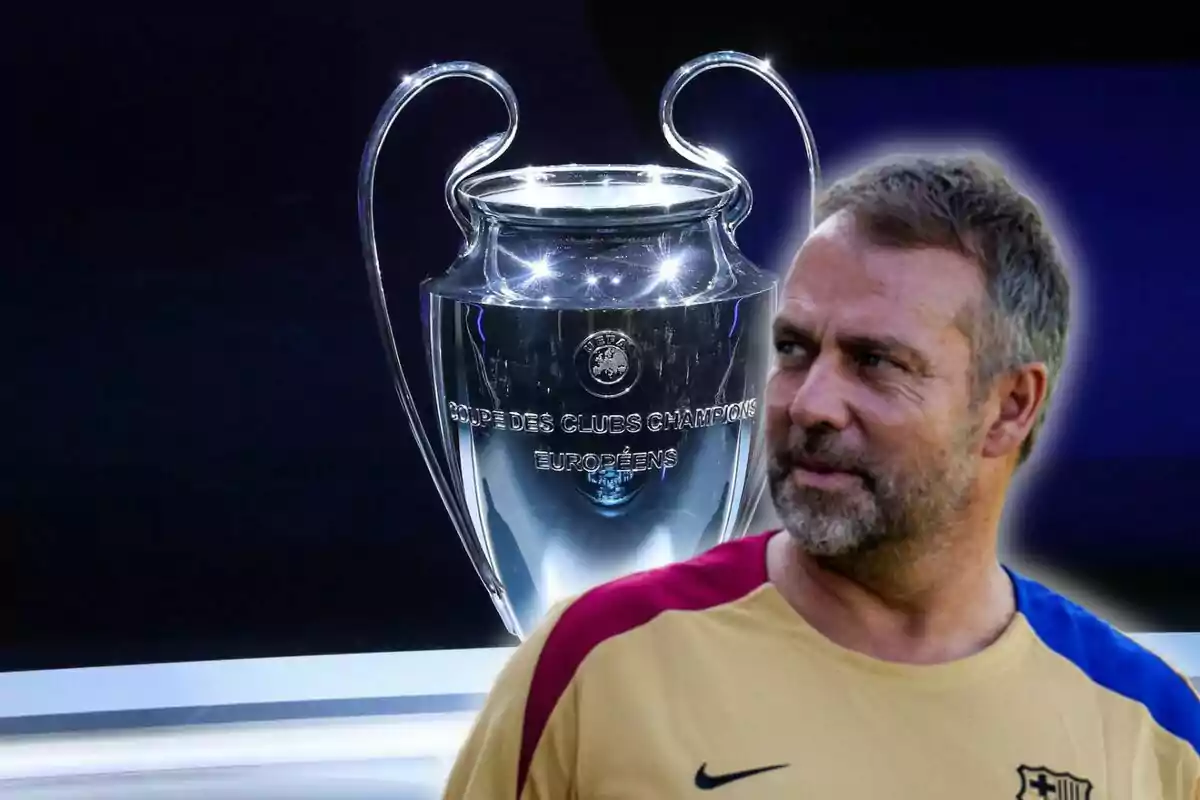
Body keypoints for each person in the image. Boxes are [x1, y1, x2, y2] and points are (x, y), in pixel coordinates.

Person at [442, 153, 1200, 799]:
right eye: (796, 350)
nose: (811, 404)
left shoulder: (1154, 731)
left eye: (876, 362)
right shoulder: (595, 664)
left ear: (1009, 407)